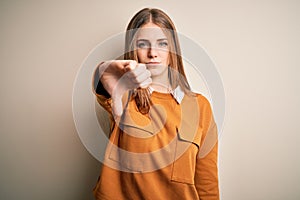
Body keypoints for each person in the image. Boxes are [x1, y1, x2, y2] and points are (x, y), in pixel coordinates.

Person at [92, 8, 219, 200]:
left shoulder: (200, 107)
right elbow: (103, 83)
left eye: (162, 43)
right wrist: (103, 69)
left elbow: (207, 184)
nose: (153, 53)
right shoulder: (123, 96)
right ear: (133, 50)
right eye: (143, 44)